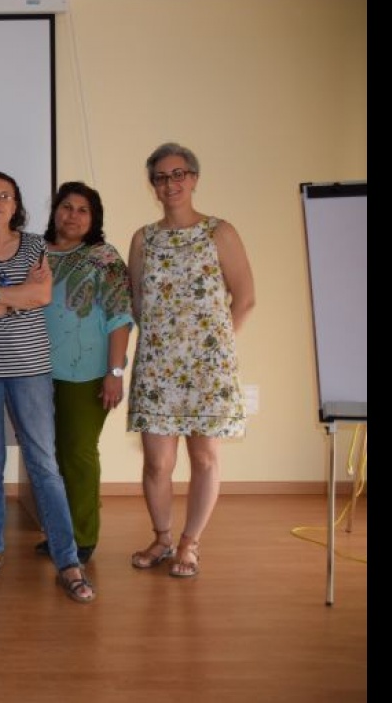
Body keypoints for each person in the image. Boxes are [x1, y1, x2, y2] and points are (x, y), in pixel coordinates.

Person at [0, 170, 95, 603]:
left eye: (4, 195)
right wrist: (13, 298)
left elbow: (41, 297)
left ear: (16, 205)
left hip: (30, 367)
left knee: (44, 465)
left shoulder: (34, 245)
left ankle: (68, 560)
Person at [127, 142, 255, 578]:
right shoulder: (144, 239)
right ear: (154, 187)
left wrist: (215, 346)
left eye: (178, 174)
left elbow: (246, 298)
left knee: (203, 459)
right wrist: (168, 341)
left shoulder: (221, 232)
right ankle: (162, 538)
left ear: (194, 179)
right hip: (157, 365)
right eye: (162, 177)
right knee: (157, 462)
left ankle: (189, 543)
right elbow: (139, 304)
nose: (171, 184)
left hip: (208, 368)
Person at [36, 181, 134, 565]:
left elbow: (121, 316)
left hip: (86, 373)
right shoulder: (36, 253)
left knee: (77, 453)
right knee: (49, 458)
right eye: (66, 207)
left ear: (93, 219)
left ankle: (83, 538)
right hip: (36, 372)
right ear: (55, 211)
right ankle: (59, 534)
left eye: (82, 210)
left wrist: (115, 371)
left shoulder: (103, 257)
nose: (72, 215)